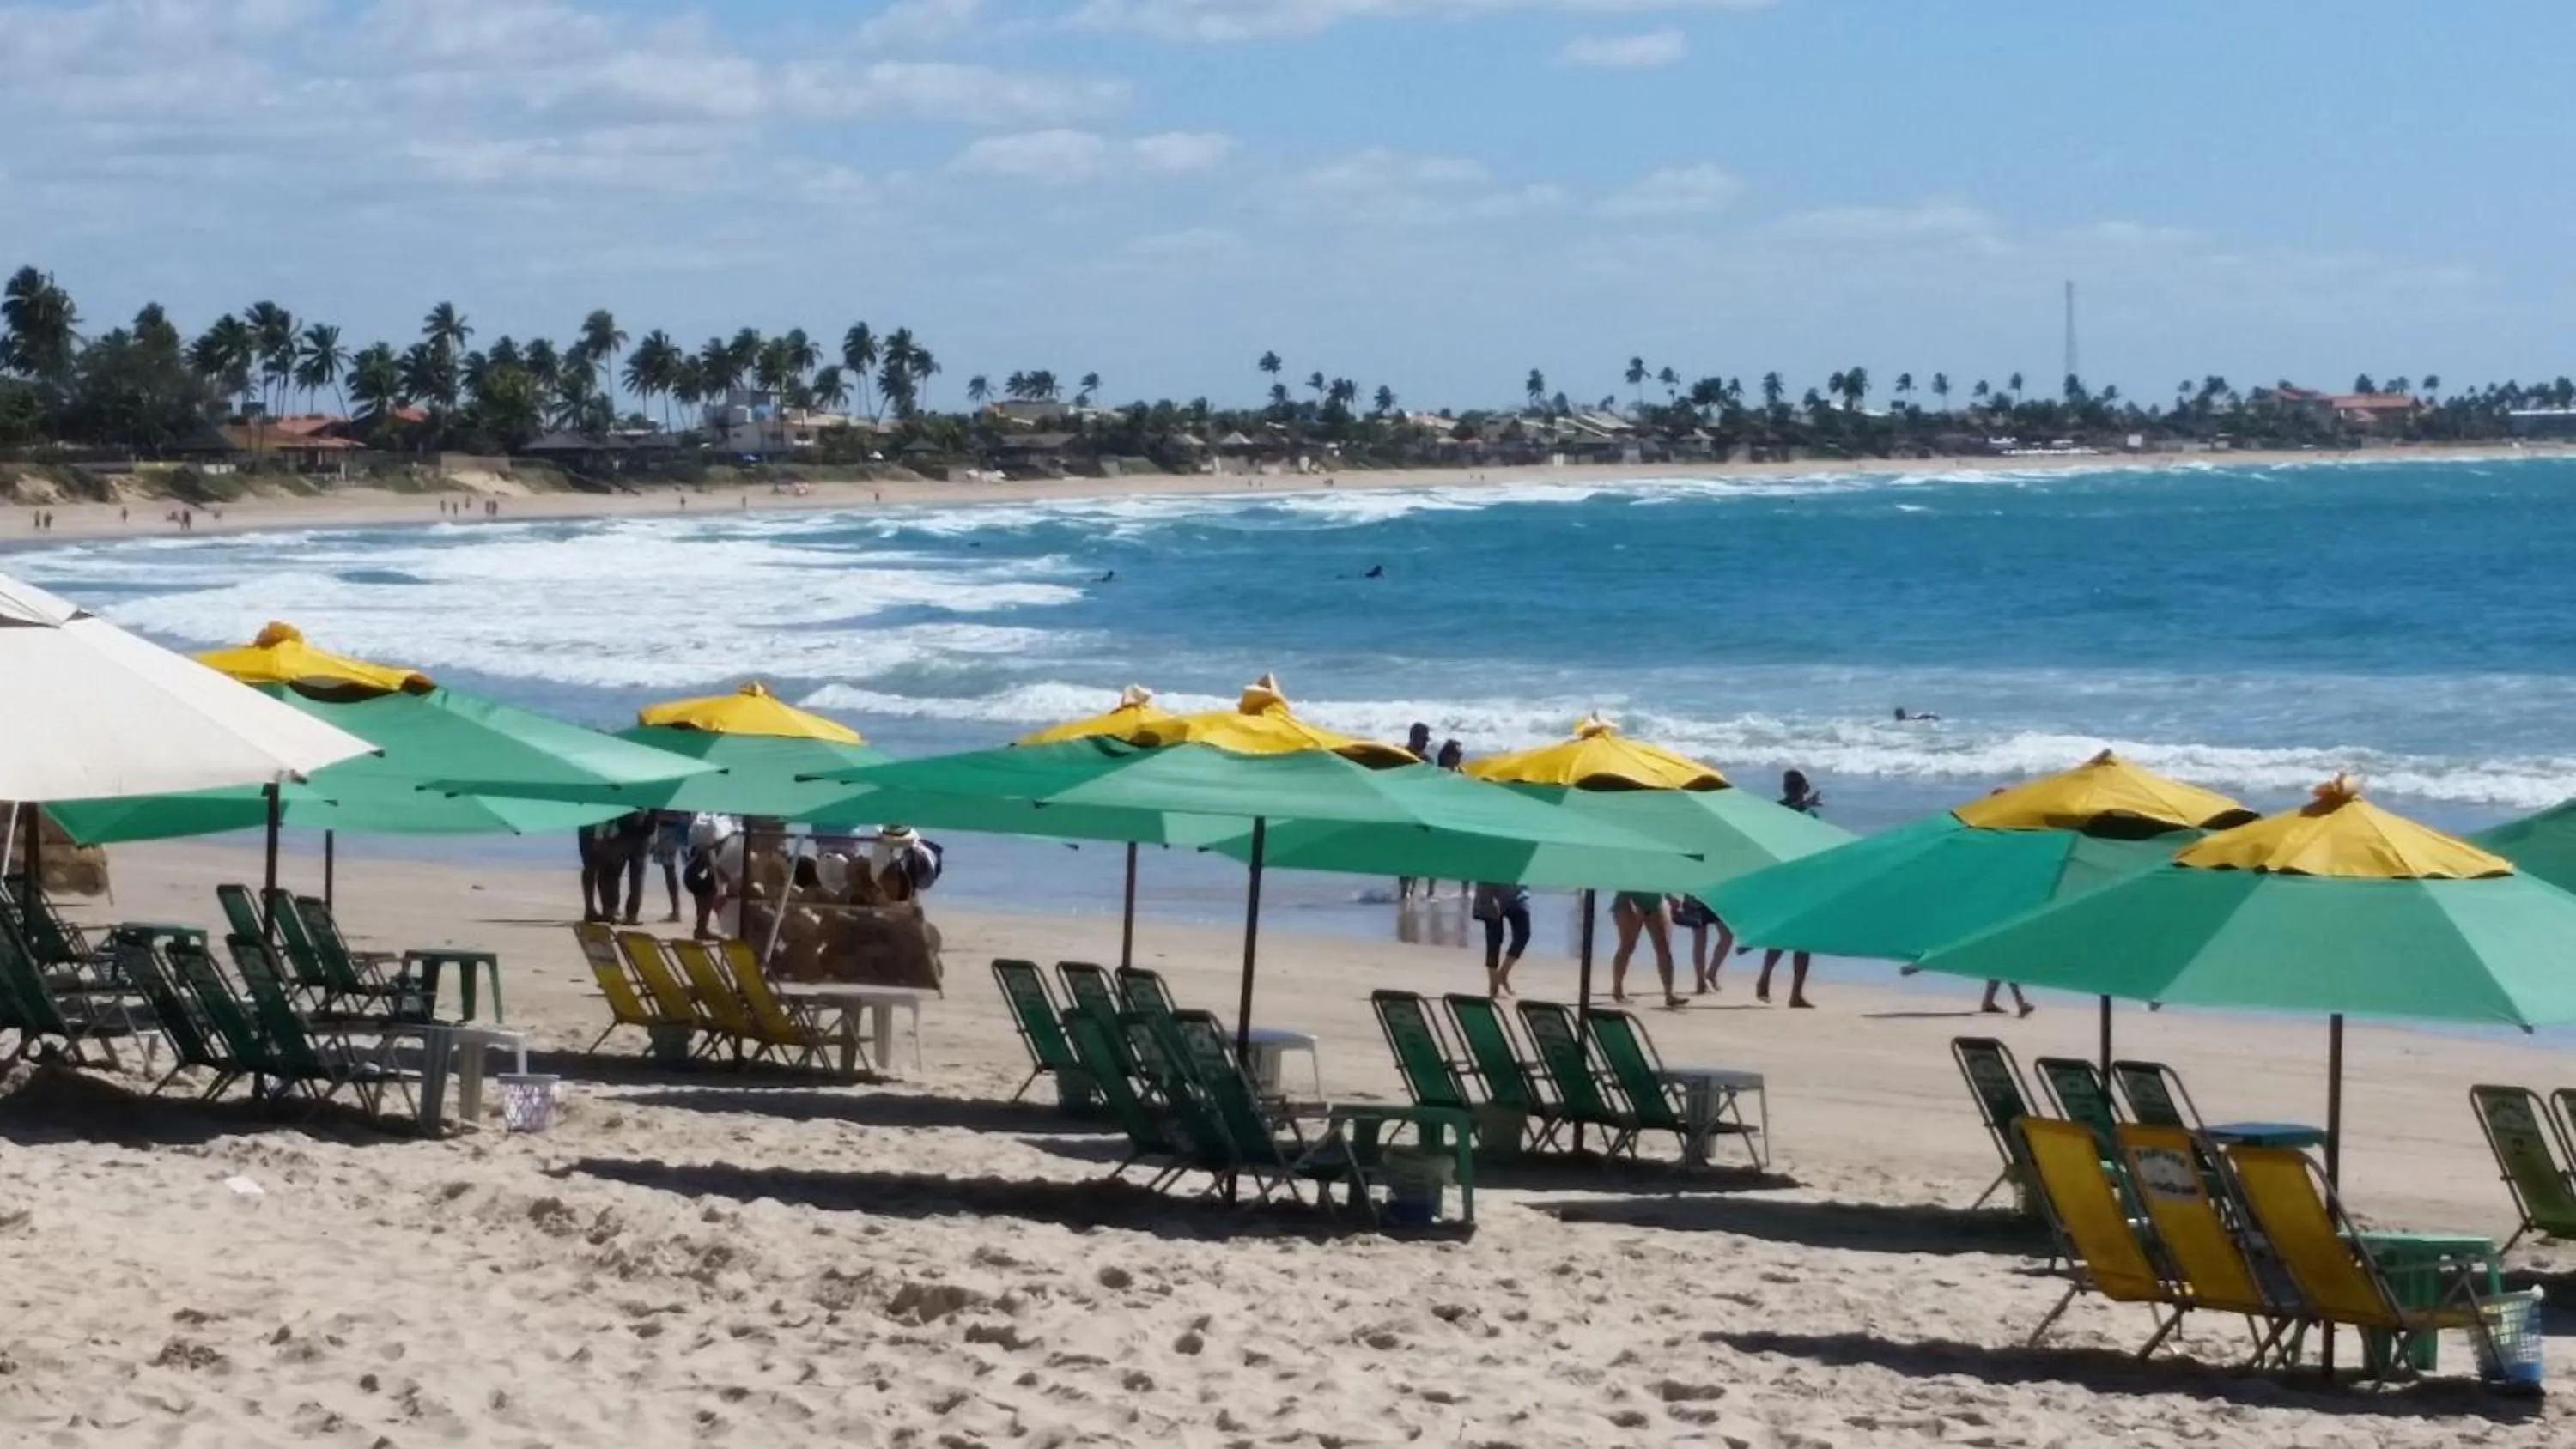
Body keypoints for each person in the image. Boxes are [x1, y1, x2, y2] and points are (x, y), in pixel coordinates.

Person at [1755, 771, 1823, 1008]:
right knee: (1783, 936)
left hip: (1807, 882)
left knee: (1803, 941)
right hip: (1786, 881)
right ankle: (1765, 978)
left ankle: (1796, 993)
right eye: (1793, 786)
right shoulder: (1780, 810)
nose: (1795, 790)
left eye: (1797, 786)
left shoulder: (1812, 814)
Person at [1610, 891, 1682, 1009]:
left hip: (1655, 901)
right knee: (1627, 946)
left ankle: (1669, 994)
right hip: (1627, 900)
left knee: (1664, 947)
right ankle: (1617, 990)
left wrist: (1669, 895)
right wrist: (1629, 901)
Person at [1472, 881, 1530, 997]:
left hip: (1515, 891)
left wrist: (1524, 890)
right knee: (1494, 938)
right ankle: (1493, 984)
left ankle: (1503, 974)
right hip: (1489, 887)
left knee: (1524, 933)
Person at [1674, 895, 1734, 994]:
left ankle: (1711, 974)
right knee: (1700, 939)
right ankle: (1701, 981)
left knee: (1727, 936)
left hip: (1716, 896)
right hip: (1695, 897)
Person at [649, 809, 695, 923]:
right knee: (691, 868)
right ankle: (678, 910)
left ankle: (676, 911)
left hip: (669, 826)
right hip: (683, 824)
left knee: (670, 869)